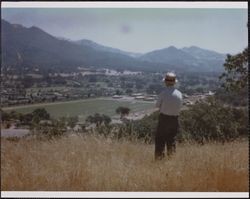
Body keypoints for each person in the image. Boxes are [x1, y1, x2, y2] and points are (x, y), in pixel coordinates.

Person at [155, 72, 182, 160]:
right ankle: (172, 160)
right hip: (175, 120)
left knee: (160, 141)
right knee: (171, 141)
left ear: (166, 82)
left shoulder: (163, 93)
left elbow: (157, 105)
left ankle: (159, 160)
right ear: (174, 82)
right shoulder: (179, 94)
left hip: (164, 119)